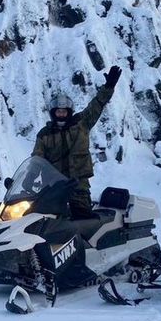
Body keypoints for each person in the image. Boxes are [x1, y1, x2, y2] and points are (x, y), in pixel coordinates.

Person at [32, 65, 122, 219]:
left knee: (82, 219)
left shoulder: (81, 123)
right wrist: (25, 182)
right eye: (58, 111)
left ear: (69, 112)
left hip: (78, 184)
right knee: (48, 220)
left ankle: (86, 243)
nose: (61, 114)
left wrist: (108, 87)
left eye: (64, 111)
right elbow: (36, 160)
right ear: (53, 113)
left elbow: (97, 105)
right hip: (54, 185)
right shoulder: (44, 134)